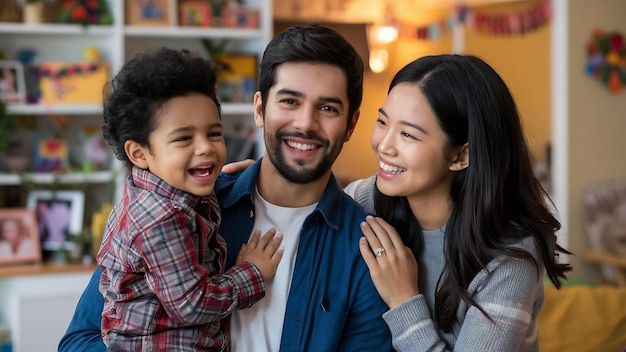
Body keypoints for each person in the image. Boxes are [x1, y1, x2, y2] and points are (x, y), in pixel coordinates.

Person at [58, 24, 393, 352]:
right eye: (289, 101)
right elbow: (79, 341)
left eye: (327, 108)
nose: (305, 123)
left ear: (350, 124)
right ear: (260, 108)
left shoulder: (364, 249)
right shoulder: (183, 208)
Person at [344, 54, 572, 351]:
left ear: (460, 155)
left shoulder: (511, 257)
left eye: (408, 135)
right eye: (382, 122)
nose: (384, 145)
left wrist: (402, 299)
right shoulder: (369, 200)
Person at [95, 47, 283, 351]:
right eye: (184, 138)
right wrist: (253, 272)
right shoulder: (160, 220)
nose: (205, 148)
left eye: (214, 134)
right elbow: (192, 305)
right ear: (139, 153)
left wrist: (225, 179)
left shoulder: (159, 191)